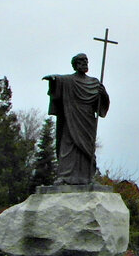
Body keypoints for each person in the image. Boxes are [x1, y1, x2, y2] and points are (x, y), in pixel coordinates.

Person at [43, 53, 110, 186]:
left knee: (87, 149)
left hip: (87, 120)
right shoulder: (68, 80)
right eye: (81, 61)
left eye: (86, 61)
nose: (84, 63)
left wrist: (103, 94)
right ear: (75, 64)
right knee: (68, 147)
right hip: (71, 117)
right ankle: (65, 176)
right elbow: (59, 82)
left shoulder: (94, 82)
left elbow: (100, 106)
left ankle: (87, 177)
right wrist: (53, 80)